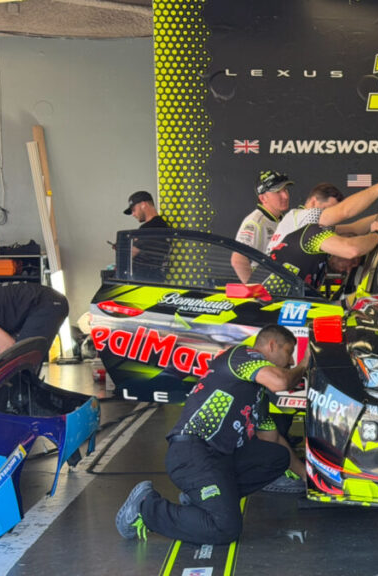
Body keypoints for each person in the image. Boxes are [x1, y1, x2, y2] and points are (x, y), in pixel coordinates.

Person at [115, 325, 309, 544]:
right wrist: (304, 365)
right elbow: (281, 382)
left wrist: (307, 476)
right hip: (193, 453)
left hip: (218, 457)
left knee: (277, 457)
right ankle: (145, 507)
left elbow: (273, 439)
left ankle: (201, 498)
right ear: (272, 345)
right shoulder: (242, 355)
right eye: (289, 352)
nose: (291, 361)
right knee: (225, 528)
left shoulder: (256, 395)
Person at [266, 181, 378, 288]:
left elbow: (354, 228)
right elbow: (345, 212)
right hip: (273, 293)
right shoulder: (302, 218)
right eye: (329, 210)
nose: (333, 217)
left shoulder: (311, 229)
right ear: (313, 203)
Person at [0, 282, 69, 354]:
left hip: (45, 304)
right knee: (24, 362)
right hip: (47, 300)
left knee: (22, 358)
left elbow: (7, 344)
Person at [231, 170, 293, 282]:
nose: (285, 196)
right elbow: (238, 260)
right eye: (277, 192)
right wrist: (255, 289)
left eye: (285, 190)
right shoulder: (255, 222)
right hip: (266, 285)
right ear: (263, 198)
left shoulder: (282, 219)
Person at [122, 190, 169, 281]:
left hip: (145, 281)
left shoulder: (151, 227)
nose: (133, 214)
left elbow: (130, 254)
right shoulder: (160, 224)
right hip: (152, 280)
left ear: (143, 204)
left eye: (134, 210)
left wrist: (122, 249)